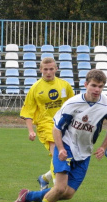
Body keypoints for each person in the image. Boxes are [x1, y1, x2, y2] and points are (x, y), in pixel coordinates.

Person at [11, 69, 107, 202]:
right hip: (66, 146)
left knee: (68, 194)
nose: (97, 90)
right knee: (59, 188)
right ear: (86, 84)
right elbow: (57, 129)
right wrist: (60, 149)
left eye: (101, 87)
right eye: (94, 85)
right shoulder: (72, 103)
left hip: (85, 152)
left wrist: (103, 147)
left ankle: (28, 196)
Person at [20, 57, 75, 190]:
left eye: (51, 69)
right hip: (46, 124)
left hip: (64, 125)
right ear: (40, 70)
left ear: (56, 69)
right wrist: (30, 131)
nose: (48, 72)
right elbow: (28, 111)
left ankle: (45, 178)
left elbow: (73, 106)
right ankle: (57, 187)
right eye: (45, 69)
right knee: (57, 151)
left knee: (68, 157)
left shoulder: (65, 85)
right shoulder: (35, 88)